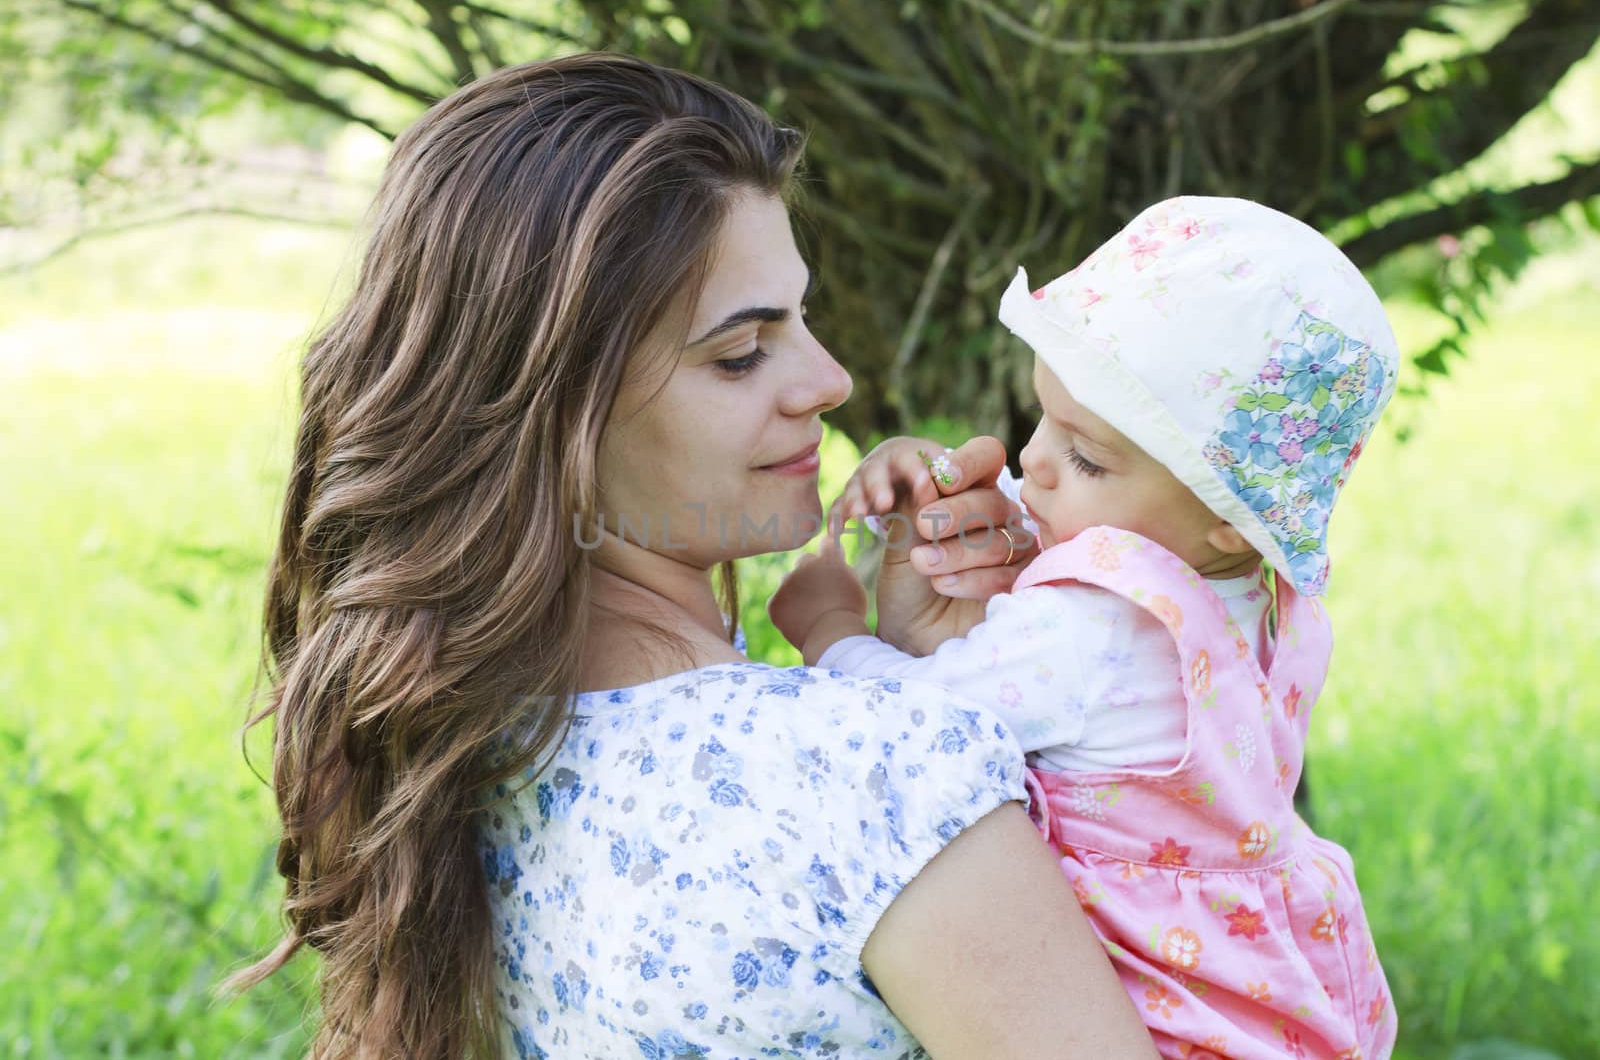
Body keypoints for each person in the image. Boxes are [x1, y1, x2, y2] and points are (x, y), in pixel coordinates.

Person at [231, 52, 1161, 1059]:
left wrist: (910, 660)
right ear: (549, 411)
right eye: (739, 353)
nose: (830, 379)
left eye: (802, 318)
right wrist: (906, 706)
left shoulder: (449, 748)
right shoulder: (872, 776)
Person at [772, 196, 1399, 1060]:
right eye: (1043, 419)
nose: (1032, 460)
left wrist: (832, 630)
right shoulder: (1266, 603)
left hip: (1140, 1012)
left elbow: (915, 728)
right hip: (1258, 992)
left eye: (1087, 457)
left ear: (1230, 519)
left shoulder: (1095, 627)